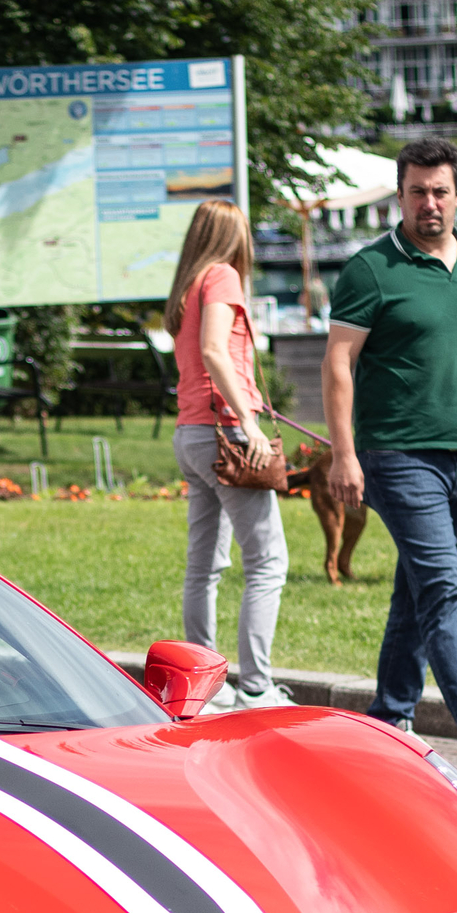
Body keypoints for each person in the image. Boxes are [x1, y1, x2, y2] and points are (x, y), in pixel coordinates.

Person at [322, 138, 457, 784]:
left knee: (418, 587)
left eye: (440, 191)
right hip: (398, 453)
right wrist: (345, 453)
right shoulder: (371, 268)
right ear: (400, 195)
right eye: (417, 191)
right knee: (442, 587)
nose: (429, 203)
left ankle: (390, 717)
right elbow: (338, 362)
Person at [165, 199, 287, 711]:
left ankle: (204, 686)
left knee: (205, 566)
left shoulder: (187, 287)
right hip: (225, 435)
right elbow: (216, 351)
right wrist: (250, 423)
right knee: (267, 563)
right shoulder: (222, 278)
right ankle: (256, 687)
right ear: (233, 238)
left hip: (191, 434)